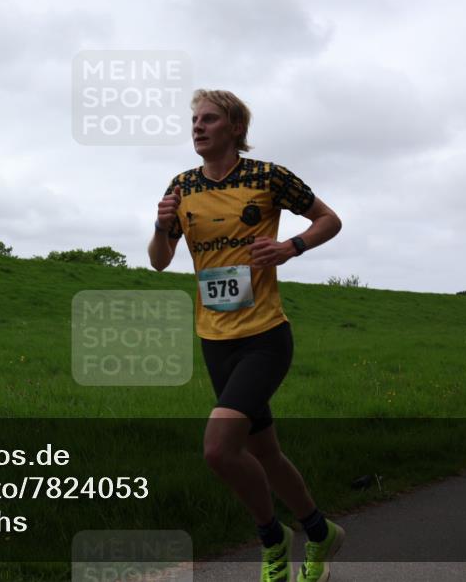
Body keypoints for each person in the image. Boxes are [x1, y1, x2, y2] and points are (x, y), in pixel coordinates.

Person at [147, 89, 345, 582]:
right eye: (194, 120)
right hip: (214, 339)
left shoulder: (268, 177)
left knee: (218, 449)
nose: (197, 126)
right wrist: (160, 224)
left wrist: (290, 247)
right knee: (265, 453)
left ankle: (271, 539)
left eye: (209, 119)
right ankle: (320, 534)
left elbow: (329, 219)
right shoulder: (182, 187)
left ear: (235, 127)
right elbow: (159, 258)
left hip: (264, 336)